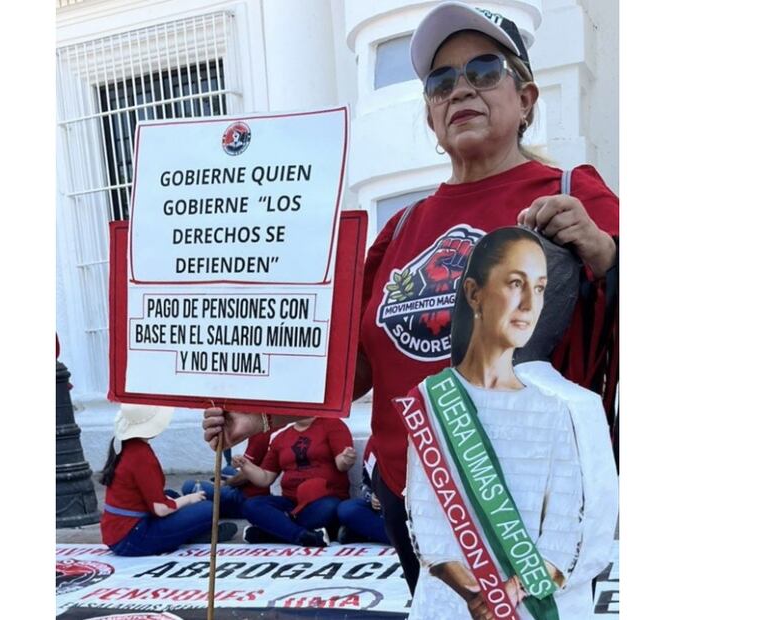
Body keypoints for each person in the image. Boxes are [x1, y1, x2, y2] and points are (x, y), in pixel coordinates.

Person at [204, 1, 619, 593]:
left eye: (484, 70)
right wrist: (262, 416)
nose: (460, 90)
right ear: (430, 115)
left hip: (526, 501)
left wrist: (604, 252)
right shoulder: (400, 229)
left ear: (526, 99)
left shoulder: (570, 194)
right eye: (441, 82)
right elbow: (361, 364)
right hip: (413, 498)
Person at [402, 227, 616, 619]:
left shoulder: (567, 408)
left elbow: (576, 535)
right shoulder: (434, 398)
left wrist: (506, 596)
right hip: (447, 606)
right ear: (473, 293)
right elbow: (424, 521)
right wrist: (473, 593)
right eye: (515, 283)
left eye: (540, 287)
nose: (528, 303)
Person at [100, 404, 229, 556]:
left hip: (117, 532)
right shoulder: (141, 456)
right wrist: (189, 499)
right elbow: (161, 509)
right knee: (208, 508)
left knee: (171, 495)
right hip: (132, 538)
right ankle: (193, 533)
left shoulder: (125, 446)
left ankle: (186, 533)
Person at [236, 416, 356, 547]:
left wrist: (346, 459)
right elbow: (265, 478)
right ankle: (302, 536)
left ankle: (273, 532)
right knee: (251, 505)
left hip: (323, 499)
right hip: (291, 503)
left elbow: (341, 464)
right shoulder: (281, 437)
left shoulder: (333, 424)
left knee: (330, 507)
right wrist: (246, 466)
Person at [179, 430, 274, 520]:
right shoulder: (280, 429)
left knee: (189, 486)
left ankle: (212, 509)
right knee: (227, 470)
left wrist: (227, 483)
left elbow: (246, 476)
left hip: (249, 496)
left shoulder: (262, 434)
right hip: (260, 484)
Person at [336, 446, 390, 545]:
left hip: (406, 508)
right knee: (347, 509)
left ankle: (366, 535)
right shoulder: (373, 443)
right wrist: (372, 497)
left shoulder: (414, 439)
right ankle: (396, 536)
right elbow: (365, 484)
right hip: (381, 510)